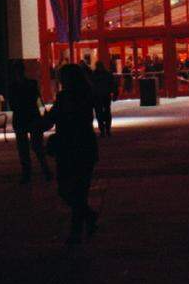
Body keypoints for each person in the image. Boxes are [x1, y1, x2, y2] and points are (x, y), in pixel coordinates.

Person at [42, 64, 99, 244]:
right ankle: (88, 217)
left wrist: (44, 122)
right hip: (80, 147)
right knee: (72, 190)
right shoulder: (83, 96)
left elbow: (55, 118)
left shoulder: (72, 97)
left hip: (73, 147)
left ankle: (76, 232)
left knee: (74, 190)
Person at [7, 60, 52, 183]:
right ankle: (44, 170)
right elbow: (37, 99)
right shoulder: (31, 84)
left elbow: (13, 104)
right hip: (32, 116)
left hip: (22, 118)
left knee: (25, 148)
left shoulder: (13, 86)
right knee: (36, 146)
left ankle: (28, 173)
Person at [90, 61, 116, 137]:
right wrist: (113, 92)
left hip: (98, 96)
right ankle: (107, 129)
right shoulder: (107, 74)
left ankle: (103, 130)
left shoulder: (94, 74)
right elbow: (112, 84)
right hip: (105, 95)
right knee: (106, 112)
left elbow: (91, 85)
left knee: (100, 113)